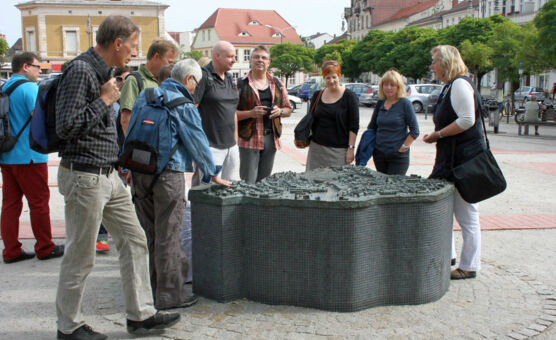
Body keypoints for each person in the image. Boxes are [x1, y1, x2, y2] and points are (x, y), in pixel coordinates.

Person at [54, 16, 179, 340]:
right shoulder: (80, 70)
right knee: (81, 255)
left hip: (107, 175)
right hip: (84, 176)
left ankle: (140, 315)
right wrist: (105, 100)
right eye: (134, 45)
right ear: (118, 42)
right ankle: (68, 327)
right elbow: (65, 126)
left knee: (135, 240)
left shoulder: (102, 72)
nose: (135, 52)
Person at [130, 59, 231, 310]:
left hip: (140, 171)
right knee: (169, 235)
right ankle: (168, 297)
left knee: (149, 234)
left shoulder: (146, 95)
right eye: (197, 83)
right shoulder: (184, 104)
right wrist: (212, 173)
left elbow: (131, 130)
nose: (197, 88)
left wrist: (127, 167)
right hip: (168, 174)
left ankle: (150, 291)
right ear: (189, 79)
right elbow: (198, 143)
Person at [423, 45, 486, 280]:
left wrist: (438, 135)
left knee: (467, 214)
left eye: (435, 61)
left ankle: (469, 265)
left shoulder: (460, 84)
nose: (432, 66)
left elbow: (467, 120)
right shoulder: (452, 85)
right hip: (452, 160)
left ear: (446, 62)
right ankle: (447, 255)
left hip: (462, 161)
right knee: (445, 209)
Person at [1, 52, 64, 263]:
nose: (41, 71)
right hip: (29, 155)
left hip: (7, 154)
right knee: (38, 203)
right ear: (26, 66)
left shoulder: (5, 87)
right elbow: (38, 119)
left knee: (10, 204)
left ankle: (11, 250)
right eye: (38, 67)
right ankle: (45, 247)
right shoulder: (29, 88)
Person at [236, 45, 292, 183]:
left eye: (263, 57)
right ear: (251, 60)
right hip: (249, 138)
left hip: (271, 138)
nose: (259, 60)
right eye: (256, 57)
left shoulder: (277, 83)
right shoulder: (240, 84)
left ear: (269, 62)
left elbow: (288, 109)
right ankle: (246, 205)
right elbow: (230, 114)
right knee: (248, 182)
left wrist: (280, 111)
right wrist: (250, 113)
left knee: (264, 183)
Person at [295, 60, 359, 171]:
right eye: (328, 78)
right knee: (312, 183)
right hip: (317, 148)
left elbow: (353, 126)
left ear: (339, 76)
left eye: (334, 77)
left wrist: (351, 149)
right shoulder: (317, 95)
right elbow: (311, 119)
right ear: (324, 78)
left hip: (339, 151)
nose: (331, 81)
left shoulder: (349, 96)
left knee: (336, 184)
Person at [193, 41, 240, 185]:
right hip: (210, 148)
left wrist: (235, 140)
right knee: (207, 192)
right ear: (217, 56)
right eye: (230, 56)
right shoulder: (203, 77)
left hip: (231, 147)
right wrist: (200, 146)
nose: (234, 60)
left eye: (235, 56)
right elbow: (191, 111)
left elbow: (233, 111)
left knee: (228, 190)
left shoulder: (230, 78)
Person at [96, 66, 131, 253]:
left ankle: (122, 236)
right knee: (105, 200)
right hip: (110, 158)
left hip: (124, 157)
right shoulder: (110, 103)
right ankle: (101, 237)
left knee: (123, 199)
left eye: (127, 78)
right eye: (119, 78)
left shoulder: (132, 101)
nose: (123, 82)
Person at [119, 38, 178, 135]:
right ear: (156, 56)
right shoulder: (134, 81)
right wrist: (135, 147)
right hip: (141, 146)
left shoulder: (164, 81)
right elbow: (126, 120)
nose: (171, 66)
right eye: (170, 62)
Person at [367, 69, 419, 175]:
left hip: (398, 156)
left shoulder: (405, 104)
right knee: (383, 188)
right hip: (380, 154)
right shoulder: (380, 103)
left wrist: (403, 148)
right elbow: (372, 127)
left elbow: (415, 130)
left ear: (398, 87)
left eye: (392, 85)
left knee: (394, 188)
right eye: (386, 84)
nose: (388, 88)